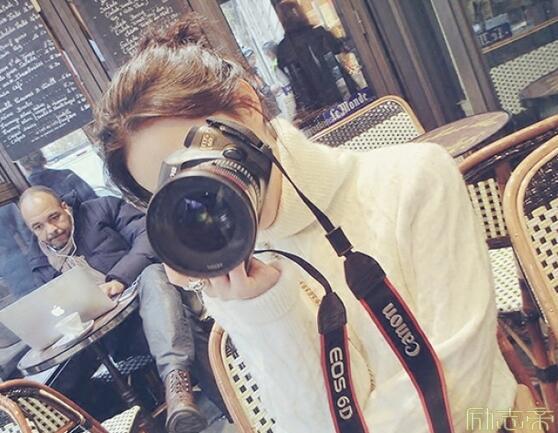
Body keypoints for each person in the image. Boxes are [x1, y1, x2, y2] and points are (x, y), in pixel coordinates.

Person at [94, 15, 517, 433]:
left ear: (246, 104)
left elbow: (463, 400)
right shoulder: (234, 274)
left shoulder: (412, 180)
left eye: (198, 159)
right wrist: (264, 312)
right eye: (171, 187)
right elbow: (308, 422)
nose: (201, 191)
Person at [18, 186, 225, 433]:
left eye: (54, 217)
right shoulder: (39, 263)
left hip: (155, 297)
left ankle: (179, 391)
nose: (51, 230)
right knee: (182, 326)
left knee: (153, 275)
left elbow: (149, 235)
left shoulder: (102, 209)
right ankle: (213, 401)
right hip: (121, 336)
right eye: (38, 227)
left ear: (65, 207)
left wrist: (119, 279)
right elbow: (58, 310)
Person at [274, 1, 359, 118]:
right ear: (301, 13)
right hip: (341, 92)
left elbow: (289, 80)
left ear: (281, 20)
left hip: (313, 103)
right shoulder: (319, 34)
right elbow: (340, 49)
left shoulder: (283, 49)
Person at [19, 150, 98, 202]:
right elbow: (92, 199)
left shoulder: (26, 190)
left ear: (25, 167)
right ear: (45, 160)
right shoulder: (67, 175)